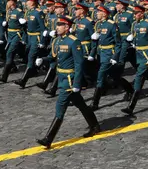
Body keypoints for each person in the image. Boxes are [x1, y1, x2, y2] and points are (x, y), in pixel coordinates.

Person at [35, 15, 101, 148]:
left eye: (60, 25)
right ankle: (95, 125)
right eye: (57, 25)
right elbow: (53, 56)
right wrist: (43, 59)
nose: (57, 27)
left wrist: (77, 83)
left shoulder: (73, 41)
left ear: (67, 27)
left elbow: (79, 64)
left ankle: (48, 138)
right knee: (80, 104)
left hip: (70, 80)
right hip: (61, 77)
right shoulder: (58, 41)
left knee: (60, 106)